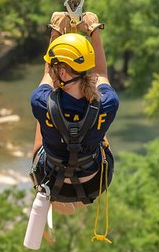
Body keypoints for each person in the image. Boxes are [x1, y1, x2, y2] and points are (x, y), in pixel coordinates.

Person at [29, 12, 118, 218]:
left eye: (53, 67)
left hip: (51, 179)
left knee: (42, 122)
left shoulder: (40, 101)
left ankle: (54, 198)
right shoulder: (108, 102)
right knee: (98, 131)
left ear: (60, 73)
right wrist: (94, 30)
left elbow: (46, 76)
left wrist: (56, 29)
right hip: (94, 183)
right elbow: (101, 74)